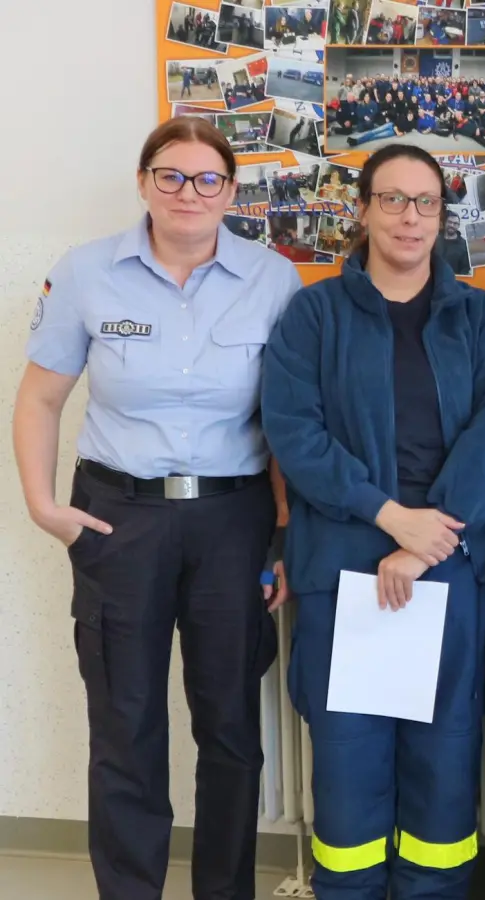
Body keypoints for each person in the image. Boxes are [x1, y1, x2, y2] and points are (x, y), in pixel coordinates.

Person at [13, 116, 300, 898]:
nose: (188, 192)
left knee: (231, 730)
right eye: (171, 175)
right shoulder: (86, 273)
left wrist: (280, 540)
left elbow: (286, 423)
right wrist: (45, 507)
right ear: (144, 182)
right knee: (126, 729)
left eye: (208, 179)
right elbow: (40, 399)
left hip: (232, 524)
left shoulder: (273, 279)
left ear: (231, 192)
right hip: (120, 520)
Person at [261, 144, 485, 899]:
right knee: (349, 772)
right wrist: (389, 517)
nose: (410, 217)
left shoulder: (480, 318)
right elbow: (295, 432)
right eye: (393, 200)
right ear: (363, 209)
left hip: (448, 566)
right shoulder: (314, 315)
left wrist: (430, 535)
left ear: (443, 215)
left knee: (443, 771)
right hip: (344, 573)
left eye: (426, 202)